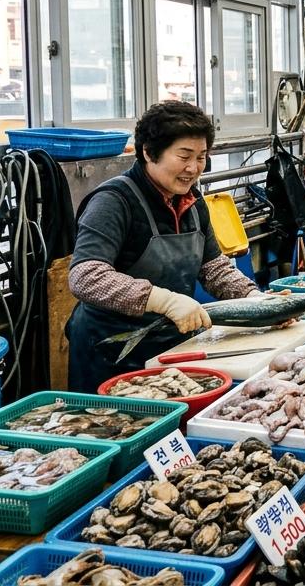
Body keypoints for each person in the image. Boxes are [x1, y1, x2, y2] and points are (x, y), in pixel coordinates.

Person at [66, 102, 265, 392]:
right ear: (148, 152)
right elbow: (85, 276)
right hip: (110, 351)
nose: (194, 168)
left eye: (201, 157)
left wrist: (254, 299)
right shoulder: (113, 202)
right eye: (184, 156)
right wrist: (164, 300)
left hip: (168, 345)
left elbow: (213, 267)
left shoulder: (193, 202)